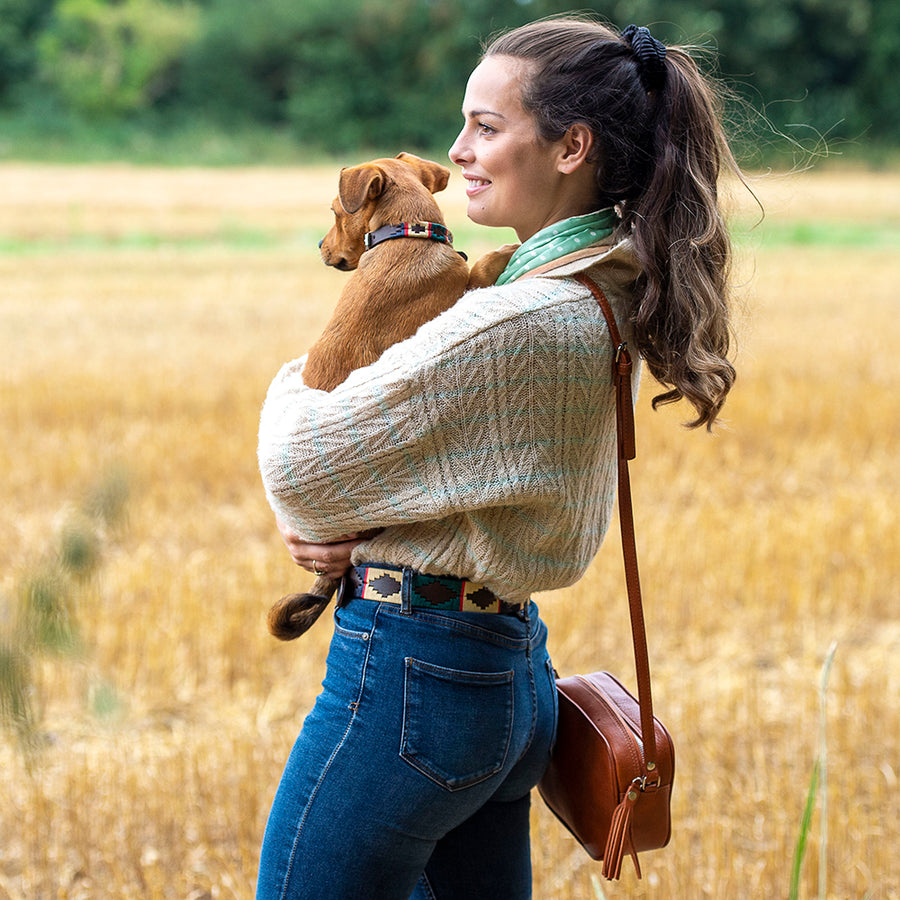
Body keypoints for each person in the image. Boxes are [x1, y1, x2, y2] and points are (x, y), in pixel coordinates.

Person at [255, 15, 739, 900]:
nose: (457, 149)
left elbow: (300, 459)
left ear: (571, 147)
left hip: (412, 675)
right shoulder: (597, 281)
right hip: (505, 674)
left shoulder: (514, 320)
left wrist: (306, 377)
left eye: (486, 126)